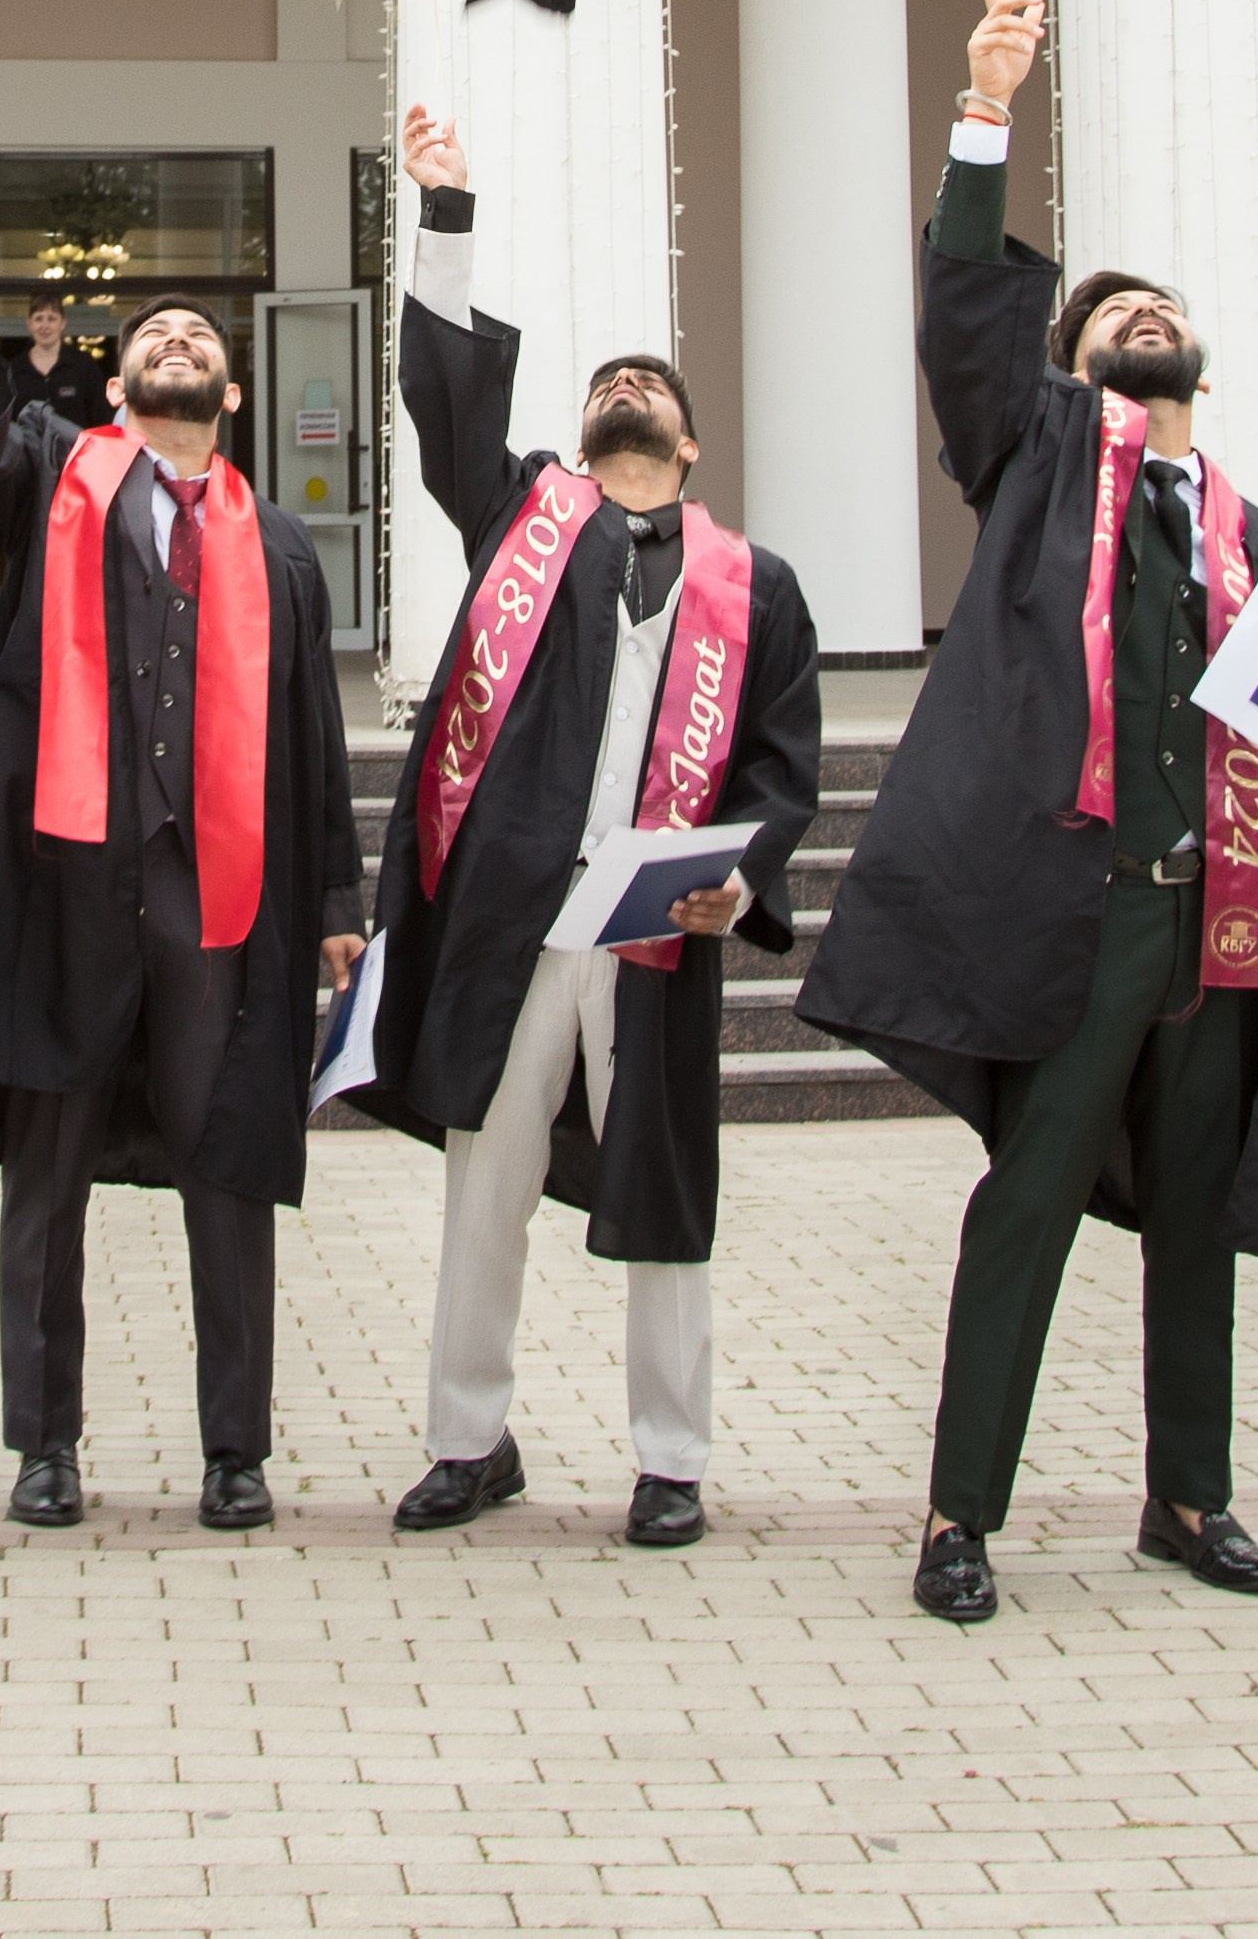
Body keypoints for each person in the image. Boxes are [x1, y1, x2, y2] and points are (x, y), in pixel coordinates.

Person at [801, 0, 1258, 1627]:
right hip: (1081, 917)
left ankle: (1188, 1495)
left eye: (1155, 310)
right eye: (1104, 316)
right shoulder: (1042, 459)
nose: (1136, 317)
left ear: (1200, 355)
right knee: (1031, 1201)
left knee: (1194, 1210)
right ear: (1065, 367)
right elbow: (965, 320)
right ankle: (959, 1513)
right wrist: (984, 109)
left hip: (1226, 926)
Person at [356, 106, 823, 1550]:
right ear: (579, 435)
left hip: (654, 925)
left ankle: (672, 1459)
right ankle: (467, 1441)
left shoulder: (759, 586)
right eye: (608, 382)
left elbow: (781, 768)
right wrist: (446, 214)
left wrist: (739, 879)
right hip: (514, 912)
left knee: (665, 1192)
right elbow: (443, 403)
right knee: (483, 1183)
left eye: (651, 384)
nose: (628, 389)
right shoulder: (522, 519)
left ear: (689, 442)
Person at [0, 158, 362, 1534]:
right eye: (154, 334)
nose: (176, 341)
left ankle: (235, 1449)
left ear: (232, 393)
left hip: (218, 898)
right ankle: (44, 1443)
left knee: (228, 1166)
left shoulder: (280, 547)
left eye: (199, 337)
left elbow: (313, 739)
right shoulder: (52, 475)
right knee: (48, 1169)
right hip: (65, 883)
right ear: (116, 386)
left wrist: (337, 897)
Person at [5, 296, 113, 429]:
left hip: (75, 442)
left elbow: (100, 418)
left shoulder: (84, 365)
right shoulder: (14, 370)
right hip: (28, 442)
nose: (45, 326)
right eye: (38, 319)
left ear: (63, 323)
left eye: (51, 319)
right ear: (29, 324)